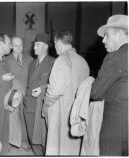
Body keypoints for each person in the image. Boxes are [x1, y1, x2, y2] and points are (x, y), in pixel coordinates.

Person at [42, 29, 89, 155]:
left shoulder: (62, 60)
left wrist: (45, 105)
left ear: (58, 42)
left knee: (56, 148)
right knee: (72, 149)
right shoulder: (83, 61)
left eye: (55, 44)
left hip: (60, 112)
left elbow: (55, 91)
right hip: (76, 113)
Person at [90, 14, 128, 156]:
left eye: (107, 36)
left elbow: (95, 93)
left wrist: (91, 81)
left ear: (119, 34)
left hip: (116, 131)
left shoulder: (115, 57)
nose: (103, 41)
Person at [23, 32, 55, 155]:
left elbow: (58, 84)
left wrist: (43, 88)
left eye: (37, 44)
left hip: (42, 105)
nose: (34, 47)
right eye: (34, 44)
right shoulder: (31, 63)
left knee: (43, 137)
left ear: (45, 46)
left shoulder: (54, 62)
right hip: (29, 105)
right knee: (32, 136)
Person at [6, 36, 32, 150]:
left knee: (24, 117)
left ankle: (25, 141)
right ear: (11, 46)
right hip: (12, 95)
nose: (18, 48)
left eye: (20, 45)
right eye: (16, 45)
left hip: (26, 94)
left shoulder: (29, 60)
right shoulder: (5, 60)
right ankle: (13, 142)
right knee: (12, 119)